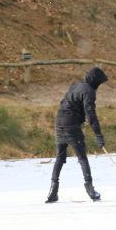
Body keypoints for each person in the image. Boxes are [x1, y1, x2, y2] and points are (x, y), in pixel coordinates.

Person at [45, 66, 108, 203]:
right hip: (71, 124)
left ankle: (53, 191)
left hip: (59, 121)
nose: (99, 86)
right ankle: (90, 190)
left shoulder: (74, 86)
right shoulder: (89, 92)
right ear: (95, 80)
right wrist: (98, 135)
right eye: (100, 83)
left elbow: (64, 103)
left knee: (60, 158)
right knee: (82, 158)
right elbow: (91, 114)